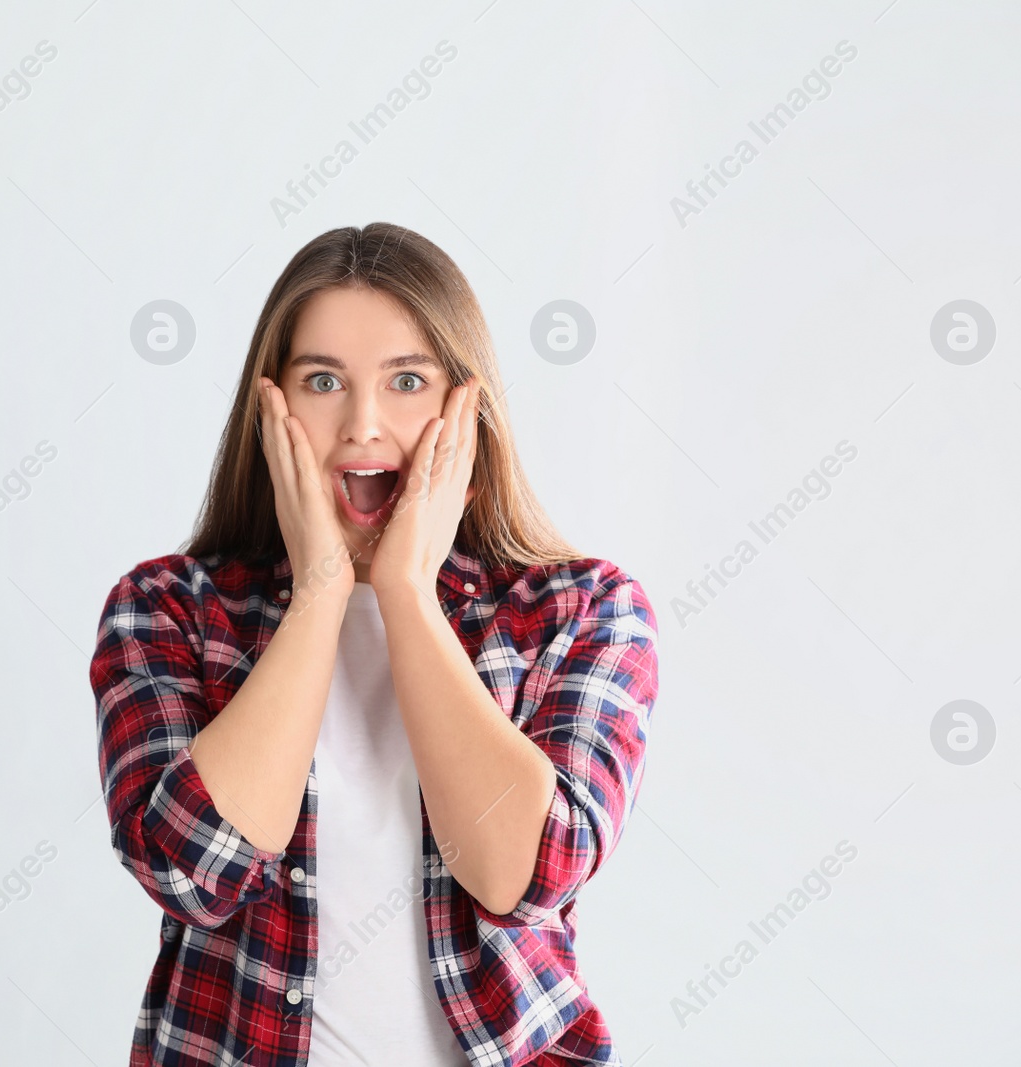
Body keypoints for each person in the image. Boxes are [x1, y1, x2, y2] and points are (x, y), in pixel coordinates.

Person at [90, 222, 660, 1066]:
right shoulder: (165, 610)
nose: (362, 424)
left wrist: (406, 594)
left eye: (406, 380)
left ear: (465, 406)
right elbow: (190, 873)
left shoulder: (586, 609)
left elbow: (529, 874)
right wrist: (320, 592)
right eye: (323, 380)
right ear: (271, 406)